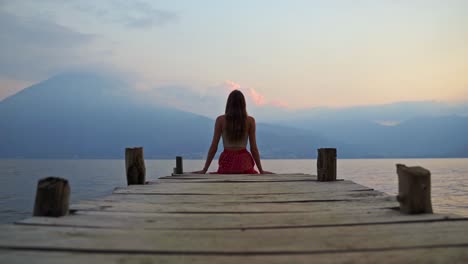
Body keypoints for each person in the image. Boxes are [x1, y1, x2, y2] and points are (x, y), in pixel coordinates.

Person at [194, 90, 273, 174]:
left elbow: (214, 147)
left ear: (228, 103)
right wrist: (261, 170)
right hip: (244, 163)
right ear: (243, 104)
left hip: (227, 162)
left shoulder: (220, 120)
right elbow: (254, 149)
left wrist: (205, 169)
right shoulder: (250, 121)